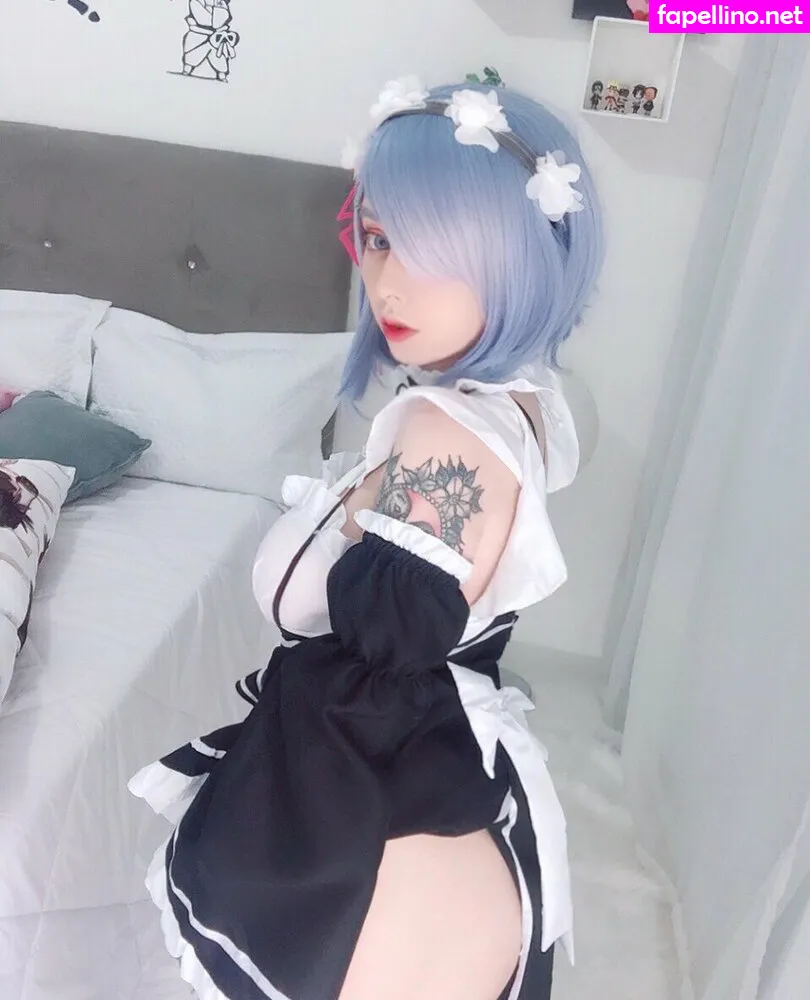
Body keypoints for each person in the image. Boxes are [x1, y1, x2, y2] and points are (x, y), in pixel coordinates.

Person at [129, 77, 604, 1000]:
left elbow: (383, 657)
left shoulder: (445, 432)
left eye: (434, 249)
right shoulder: (516, 402)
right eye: (380, 240)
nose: (388, 282)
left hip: (388, 848)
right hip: (428, 824)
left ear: (517, 258)